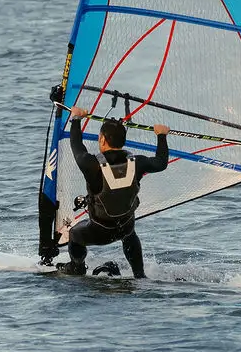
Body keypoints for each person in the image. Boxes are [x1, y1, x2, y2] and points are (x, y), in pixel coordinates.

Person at [56, 100, 169, 278]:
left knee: (75, 234)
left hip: (98, 231)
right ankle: (139, 275)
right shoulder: (138, 163)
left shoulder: (91, 165)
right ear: (123, 141)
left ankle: (77, 267)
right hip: (125, 227)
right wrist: (161, 135)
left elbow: (77, 147)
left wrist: (76, 119)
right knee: (129, 234)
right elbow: (161, 163)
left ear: (102, 139)